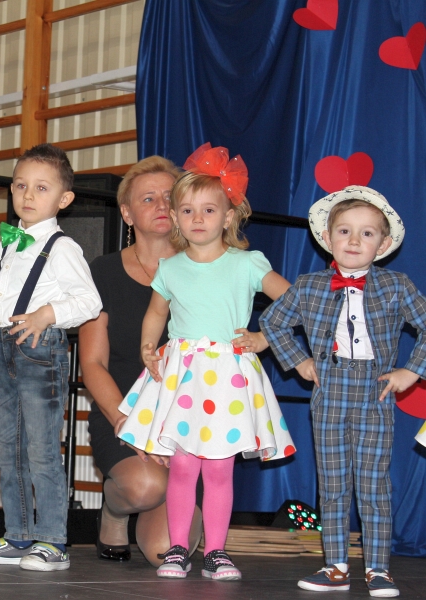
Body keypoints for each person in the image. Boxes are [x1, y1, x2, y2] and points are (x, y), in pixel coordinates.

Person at [117, 142, 295, 581]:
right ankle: (178, 549)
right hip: (183, 376)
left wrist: (264, 337)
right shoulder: (171, 268)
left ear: (229, 216)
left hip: (227, 378)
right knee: (182, 466)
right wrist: (147, 348)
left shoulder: (247, 264)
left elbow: (294, 302)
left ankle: (216, 551)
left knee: (218, 469)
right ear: (176, 218)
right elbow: (156, 313)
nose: (198, 219)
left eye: (209, 210)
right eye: (188, 210)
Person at [260, 185, 425, 598]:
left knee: (373, 484)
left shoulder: (396, 285)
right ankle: (335, 566)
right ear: (327, 237)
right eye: (345, 231)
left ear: (383, 244)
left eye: (367, 233)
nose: (354, 240)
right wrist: (299, 361)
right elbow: (273, 322)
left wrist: (411, 371)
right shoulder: (309, 285)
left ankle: (378, 569)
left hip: (375, 392)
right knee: (333, 483)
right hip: (330, 392)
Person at [0, 144, 102, 571]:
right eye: (21, 185)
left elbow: (90, 302)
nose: (28, 195)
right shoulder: (6, 245)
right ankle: (19, 535)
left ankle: (54, 541)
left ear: (64, 199)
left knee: (42, 450)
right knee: (8, 448)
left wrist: (47, 314)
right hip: (7, 347)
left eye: (41, 188)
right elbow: (1, 296)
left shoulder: (62, 248)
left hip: (42, 352)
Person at [80, 155, 202, 566]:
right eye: (148, 198)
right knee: (144, 486)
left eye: (170, 196)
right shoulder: (103, 271)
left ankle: (182, 495)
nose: (161, 205)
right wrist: (129, 424)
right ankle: (114, 512)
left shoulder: (206, 270)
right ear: (128, 213)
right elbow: (92, 363)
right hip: (123, 411)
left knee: (165, 553)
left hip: (189, 421)